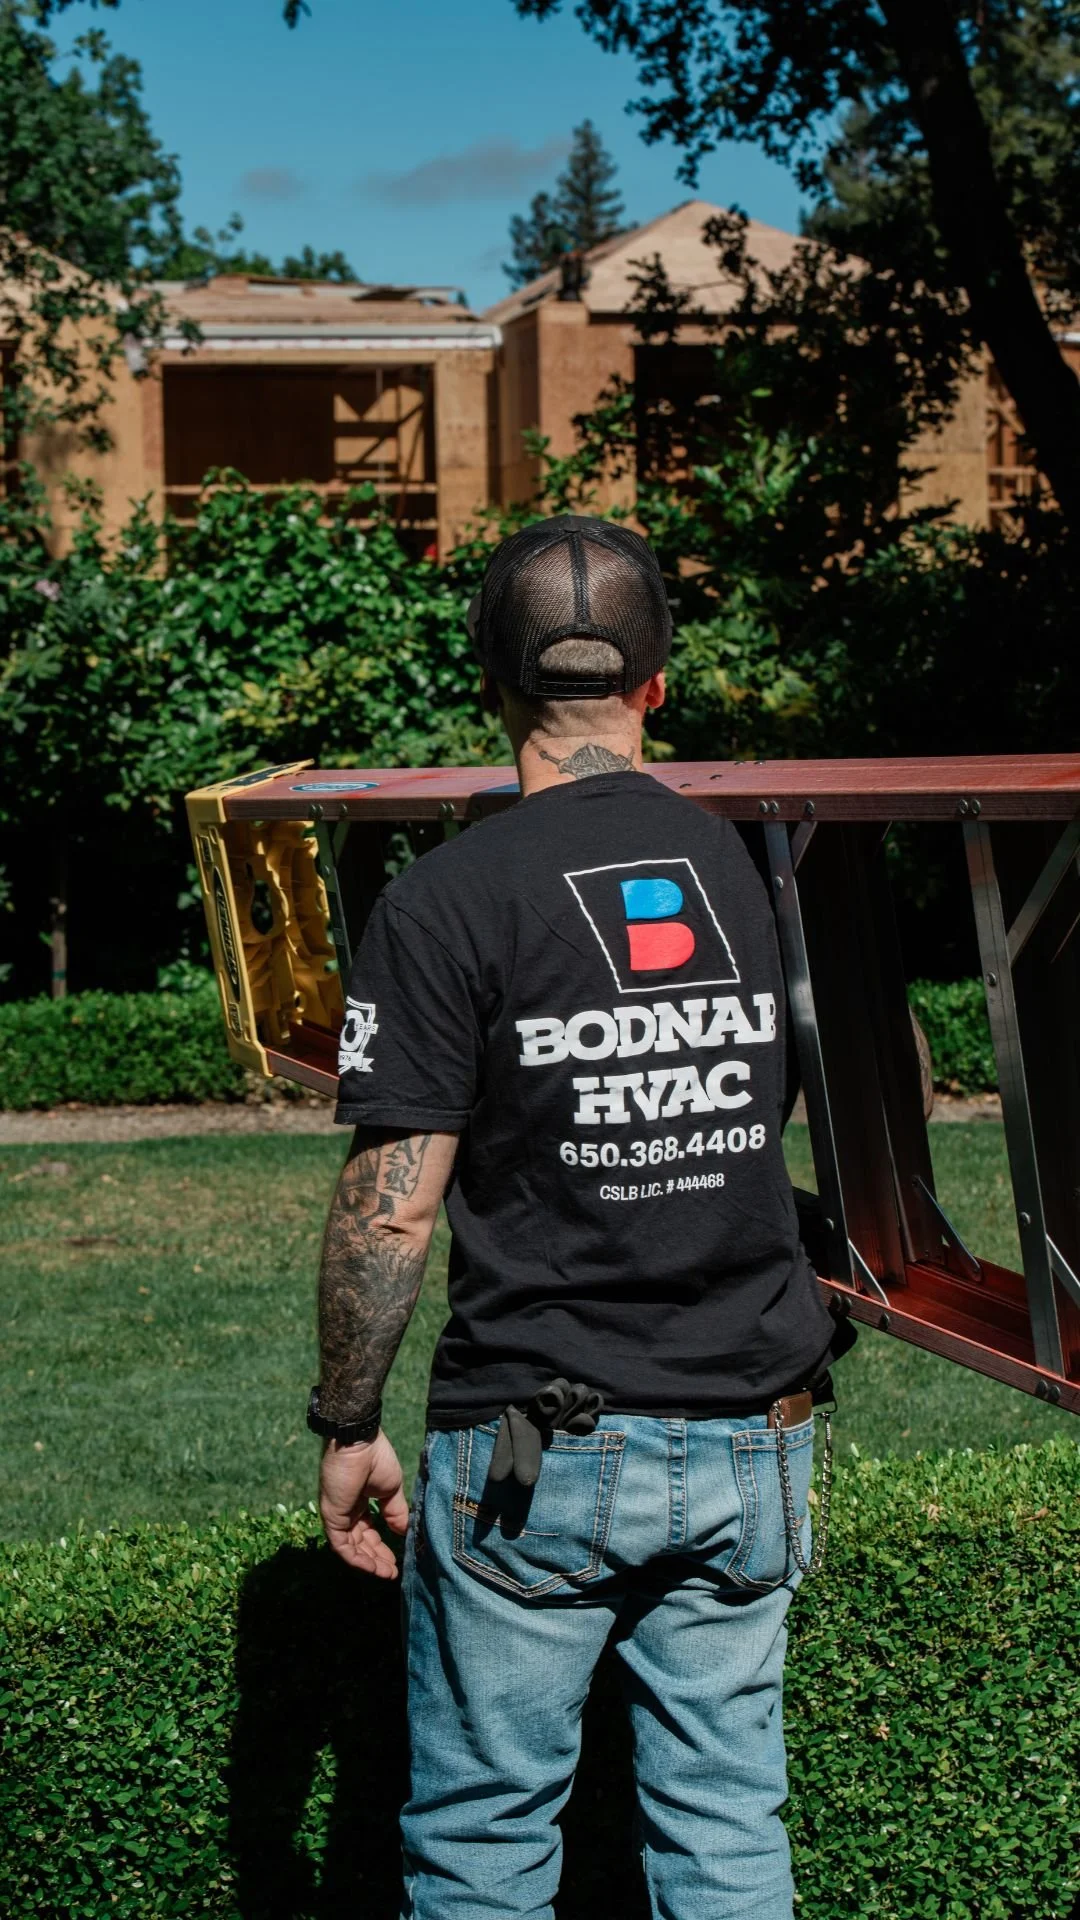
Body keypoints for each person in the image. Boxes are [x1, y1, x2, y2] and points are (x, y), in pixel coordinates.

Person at [308, 514, 852, 1920]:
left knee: (486, 1839)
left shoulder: (444, 899)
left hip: (534, 1447)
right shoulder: (774, 878)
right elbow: (848, 1125)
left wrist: (348, 1423)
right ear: (659, 682)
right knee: (729, 1823)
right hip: (757, 1430)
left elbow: (394, 1209)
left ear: (490, 682)